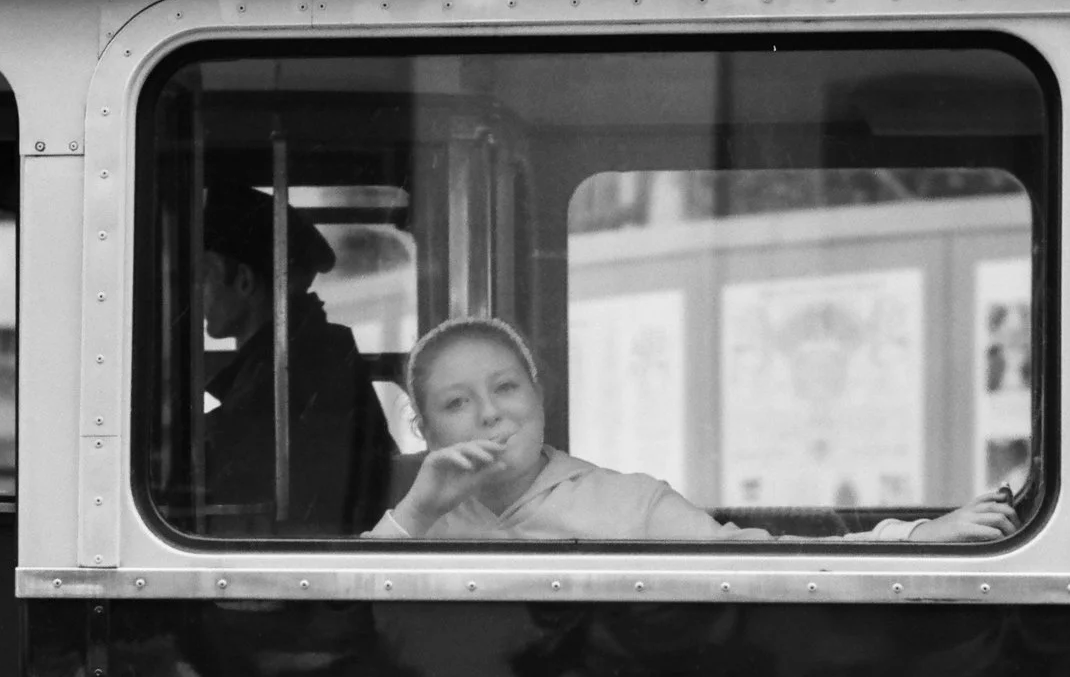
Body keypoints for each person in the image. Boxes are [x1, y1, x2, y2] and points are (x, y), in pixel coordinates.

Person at [369, 316, 1015, 543]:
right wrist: (419, 509)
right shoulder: (416, 520)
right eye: (457, 402)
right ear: (423, 428)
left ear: (541, 395)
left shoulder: (632, 503)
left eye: (507, 387)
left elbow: (766, 561)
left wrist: (916, 537)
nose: (490, 413)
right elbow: (335, 620)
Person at [196, 186, 397, 535]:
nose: (196, 292)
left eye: (206, 276)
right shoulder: (300, 352)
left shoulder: (296, 367)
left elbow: (226, 457)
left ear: (243, 281)